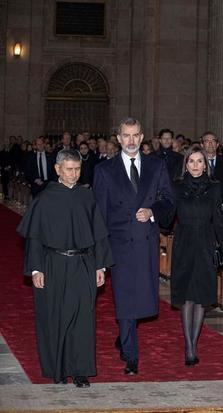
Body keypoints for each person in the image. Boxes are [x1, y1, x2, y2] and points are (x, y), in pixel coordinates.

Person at [18, 149, 113, 387]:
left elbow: (99, 234)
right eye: (69, 169)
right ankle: (58, 370)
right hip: (53, 265)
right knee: (55, 317)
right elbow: (34, 238)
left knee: (83, 318)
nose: (73, 174)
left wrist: (100, 265)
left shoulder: (86, 197)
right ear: (57, 169)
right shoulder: (44, 199)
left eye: (77, 169)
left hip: (83, 263)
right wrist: (36, 269)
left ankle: (80, 370)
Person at [93, 117, 174, 375]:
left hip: (146, 243)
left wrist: (151, 211)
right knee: (126, 299)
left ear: (141, 138)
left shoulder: (156, 166)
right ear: (118, 139)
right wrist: (100, 256)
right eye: (125, 136)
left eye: (135, 135)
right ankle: (131, 355)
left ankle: (125, 333)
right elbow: (99, 215)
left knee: (144, 300)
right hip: (120, 246)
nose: (130, 140)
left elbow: (169, 201)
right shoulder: (105, 171)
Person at [168, 145, 223, 365]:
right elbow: (167, 219)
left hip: (205, 242)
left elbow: (218, 221)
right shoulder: (175, 186)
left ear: (206, 165)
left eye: (199, 161)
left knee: (201, 296)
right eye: (191, 161)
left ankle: (194, 343)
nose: (195, 165)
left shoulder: (214, 187)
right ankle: (189, 346)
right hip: (184, 243)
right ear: (185, 165)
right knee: (186, 296)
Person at [201, 132, 223, 227]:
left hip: (222, 211)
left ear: (217, 144)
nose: (210, 144)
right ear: (202, 144)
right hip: (201, 212)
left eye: (213, 141)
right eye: (207, 141)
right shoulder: (197, 163)